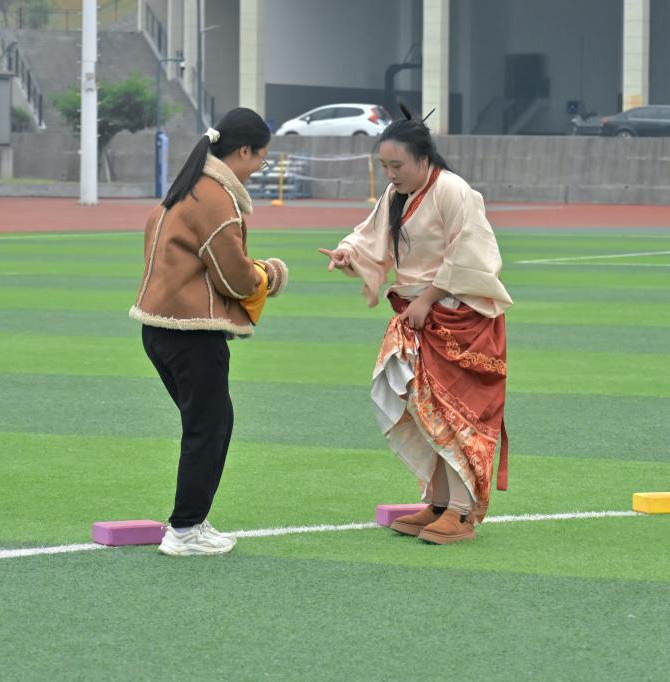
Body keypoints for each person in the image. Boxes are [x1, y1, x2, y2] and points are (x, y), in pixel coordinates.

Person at [319, 105, 512, 544]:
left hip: (460, 318)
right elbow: (370, 237)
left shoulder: (454, 191)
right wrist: (348, 253)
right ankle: (440, 503)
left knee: (455, 414)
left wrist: (427, 298)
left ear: (424, 160)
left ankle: (461, 512)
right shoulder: (396, 195)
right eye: (384, 166)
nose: (390, 174)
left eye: (397, 165)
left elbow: (470, 255)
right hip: (417, 315)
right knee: (423, 411)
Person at [130, 107, 288, 556]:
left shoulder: (185, 186)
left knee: (208, 423)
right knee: (210, 427)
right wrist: (270, 275)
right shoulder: (216, 197)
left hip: (158, 328)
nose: (259, 166)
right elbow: (235, 277)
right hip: (192, 332)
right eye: (261, 157)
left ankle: (191, 523)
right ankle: (185, 530)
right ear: (244, 151)